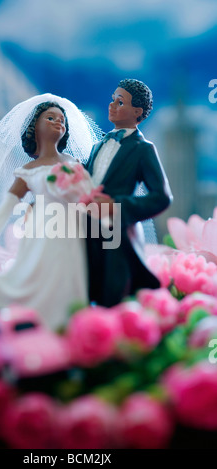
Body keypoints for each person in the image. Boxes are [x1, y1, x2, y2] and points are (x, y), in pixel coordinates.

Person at [0, 94, 103, 335]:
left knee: (70, 281)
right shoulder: (28, 171)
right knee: (37, 279)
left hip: (71, 235)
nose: (59, 123)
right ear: (35, 128)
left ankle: (70, 329)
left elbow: (89, 199)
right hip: (40, 235)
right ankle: (41, 329)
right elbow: (5, 208)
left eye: (62, 120)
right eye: (51, 117)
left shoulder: (74, 164)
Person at [84, 78, 173, 307]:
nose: (112, 105)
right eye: (113, 99)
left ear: (137, 112)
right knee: (85, 287)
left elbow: (162, 198)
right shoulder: (97, 147)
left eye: (120, 102)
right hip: (85, 231)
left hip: (118, 235)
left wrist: (117, 205)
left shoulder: (143, 149)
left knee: (114, 293)